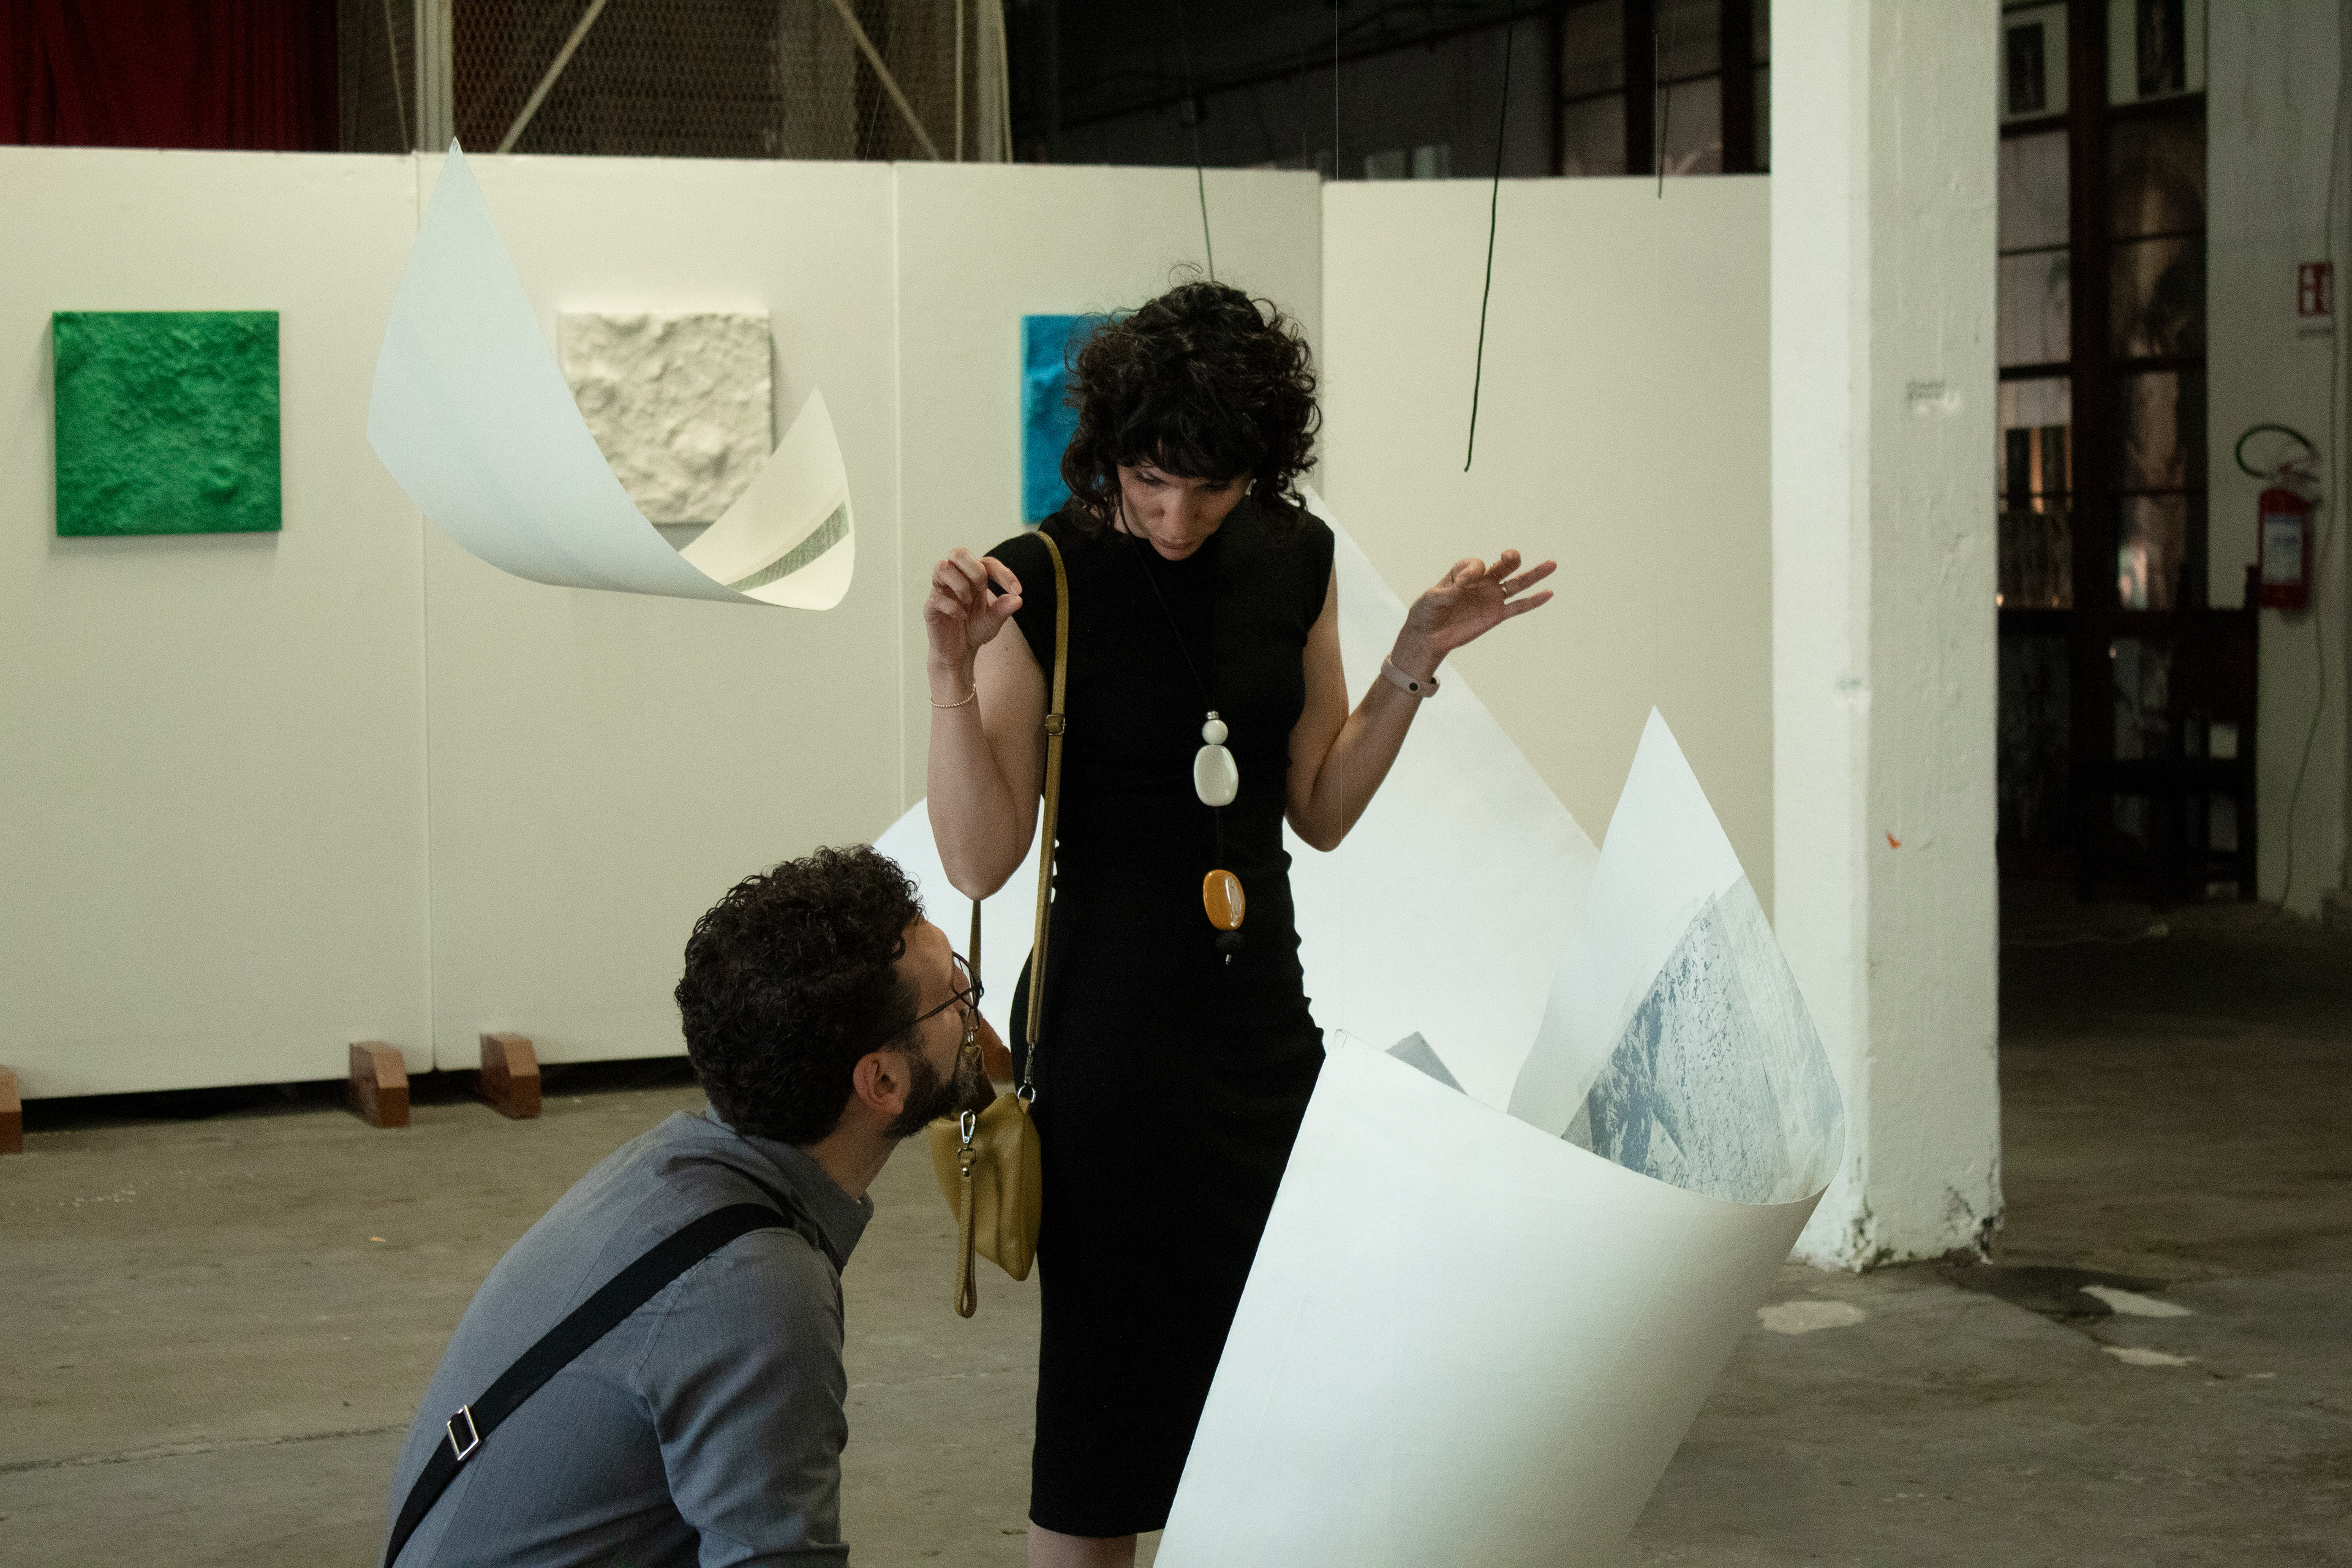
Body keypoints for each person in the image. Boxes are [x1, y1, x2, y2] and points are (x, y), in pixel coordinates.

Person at [923, 279, 1556, 1567]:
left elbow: (1319, 807)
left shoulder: (1294, 558)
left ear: (1258, 470)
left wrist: (1413, 662)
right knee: (1103, 1407)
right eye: (1150, 481)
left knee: (1281, 1379)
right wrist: (949, 672)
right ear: (1110, 452)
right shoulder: (1038, 577)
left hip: (1260, 1019)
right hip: (1107, 1028)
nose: (1175, 517)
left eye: (1209, 489)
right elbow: (979, 861)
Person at [380, 845, 983, 1567]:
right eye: (954, 992)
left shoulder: (667, 1168)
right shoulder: (759, 1286)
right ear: (881, 1081)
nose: (971, 1006)